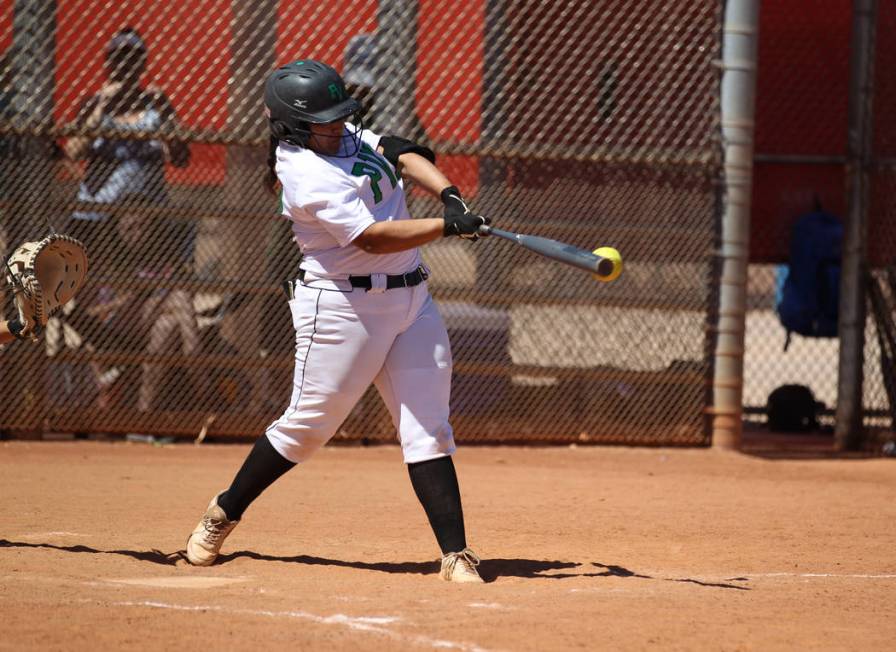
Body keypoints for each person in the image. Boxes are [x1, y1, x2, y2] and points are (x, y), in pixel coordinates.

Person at [185, 60, 489, 583]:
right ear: (292, 125)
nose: (335, 125)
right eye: (323, 119)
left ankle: (455, 554)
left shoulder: (341, 133)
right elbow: (369, 238)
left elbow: (398, 150)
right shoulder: (303, 172)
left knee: (429, 430)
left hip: (412, 301)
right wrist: (446, 227)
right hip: (344, 308)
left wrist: (450, 196)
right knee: (307, 430)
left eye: (338, 114)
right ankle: (224, 511)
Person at [57, 27, 195, 413]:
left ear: (143, 64)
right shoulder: (95, 104)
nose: (126, 69)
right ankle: (108, 360)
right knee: (80, 300)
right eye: (118, 60)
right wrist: (103, 107)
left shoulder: (156, 104)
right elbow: (73, 150)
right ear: (108, 64)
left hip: (143, 223)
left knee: (141, 295)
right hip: (97, 218)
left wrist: (165, 115)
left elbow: (181, 155)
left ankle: (132, 373)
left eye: (133, 60)